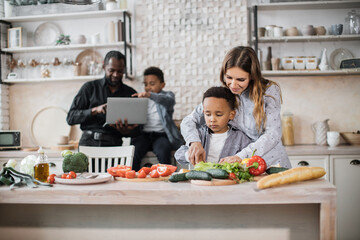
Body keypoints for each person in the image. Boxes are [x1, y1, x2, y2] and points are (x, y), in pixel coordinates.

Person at [180, 46, 291, 168]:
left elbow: (273, 134)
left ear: (252, 76)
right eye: (229, 77)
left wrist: (241, 156)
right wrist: (194, 142)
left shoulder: (268, 91)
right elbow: (189, 121)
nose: (233, 85)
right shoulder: (222, 93)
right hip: (241, 166)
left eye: (241, 79)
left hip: (271, 162)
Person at [66, 50, 138, 147]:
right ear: (104, 67)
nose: (116, 75)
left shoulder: (131, 93)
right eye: (111, 70)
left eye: (120, 71)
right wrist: (95, 110)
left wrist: (126, 131)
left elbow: (138, 130)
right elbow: (71, 118)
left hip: (114, 144)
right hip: (89, 142)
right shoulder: (89, 87)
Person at [175, 86, 251, 166]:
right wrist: (191, 155)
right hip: (200, 178)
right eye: (208, 114)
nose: (212, 119)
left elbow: (251, 158)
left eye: (218, 115)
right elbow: (179, 154)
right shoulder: (199, 135)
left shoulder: (241, 138)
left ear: (231, 115)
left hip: (228, 178)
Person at [130, 66, 184, 171]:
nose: (148, 87)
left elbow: (168, 101)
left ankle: (166, 177)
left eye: (152, 84)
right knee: (134, 151)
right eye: (145, 84)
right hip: (144, 134)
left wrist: (150, 95)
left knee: (163, 150)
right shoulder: (141, 98)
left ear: (162, 85)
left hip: (161, 135)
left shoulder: (167, 96)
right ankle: (133, 176)